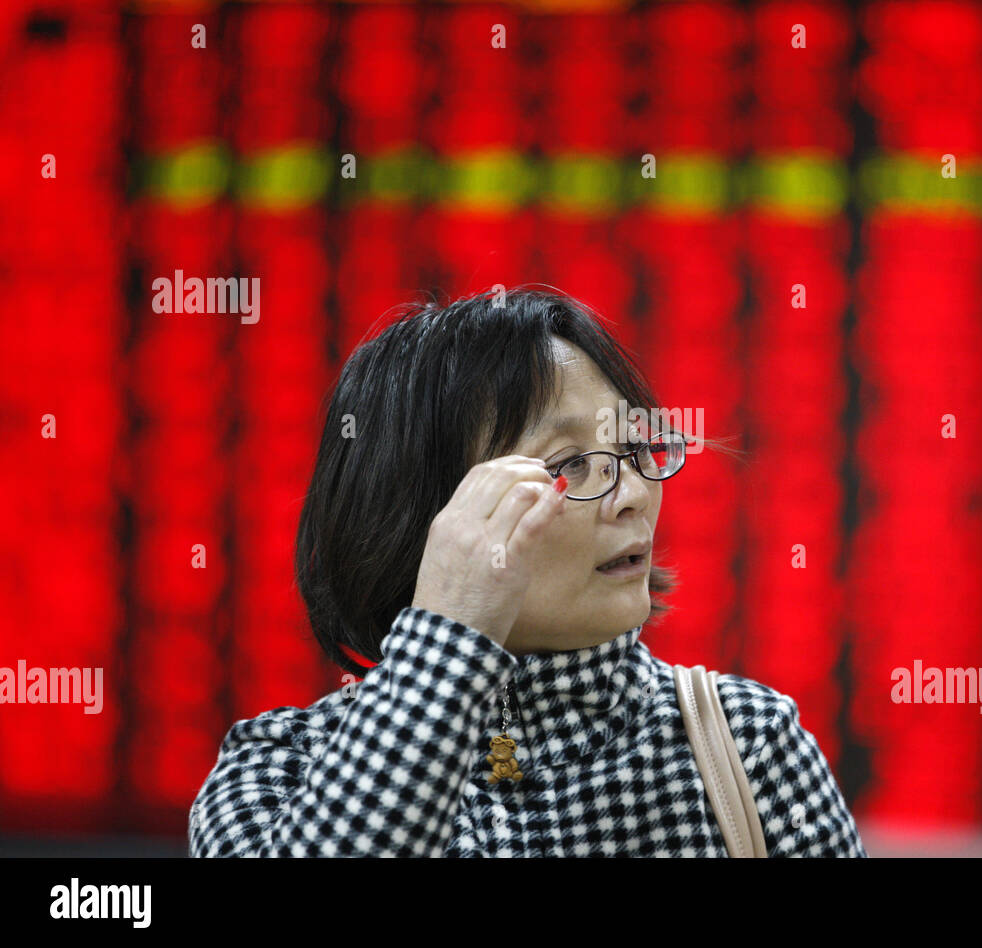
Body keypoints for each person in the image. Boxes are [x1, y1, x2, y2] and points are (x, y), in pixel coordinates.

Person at [188, 285, 867, 857]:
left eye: (634, 446)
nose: (632, 492)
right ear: (424, 514)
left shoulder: (748, 744)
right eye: (569, 464)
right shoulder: (280, 768)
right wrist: (449, 634)